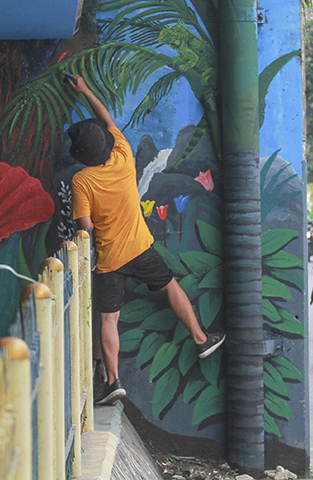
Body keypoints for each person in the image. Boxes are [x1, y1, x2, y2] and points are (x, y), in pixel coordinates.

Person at [66, 75, 225, 405]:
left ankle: (113, 381)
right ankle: (200, 338)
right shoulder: (123, 154)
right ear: (106, 146)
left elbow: (86, 226)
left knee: (109, 319)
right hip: (140, 247)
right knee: (170, 286)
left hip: (109, 259)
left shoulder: (81, 180)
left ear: (81, 156)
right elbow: (107, 118)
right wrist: (85, 89)